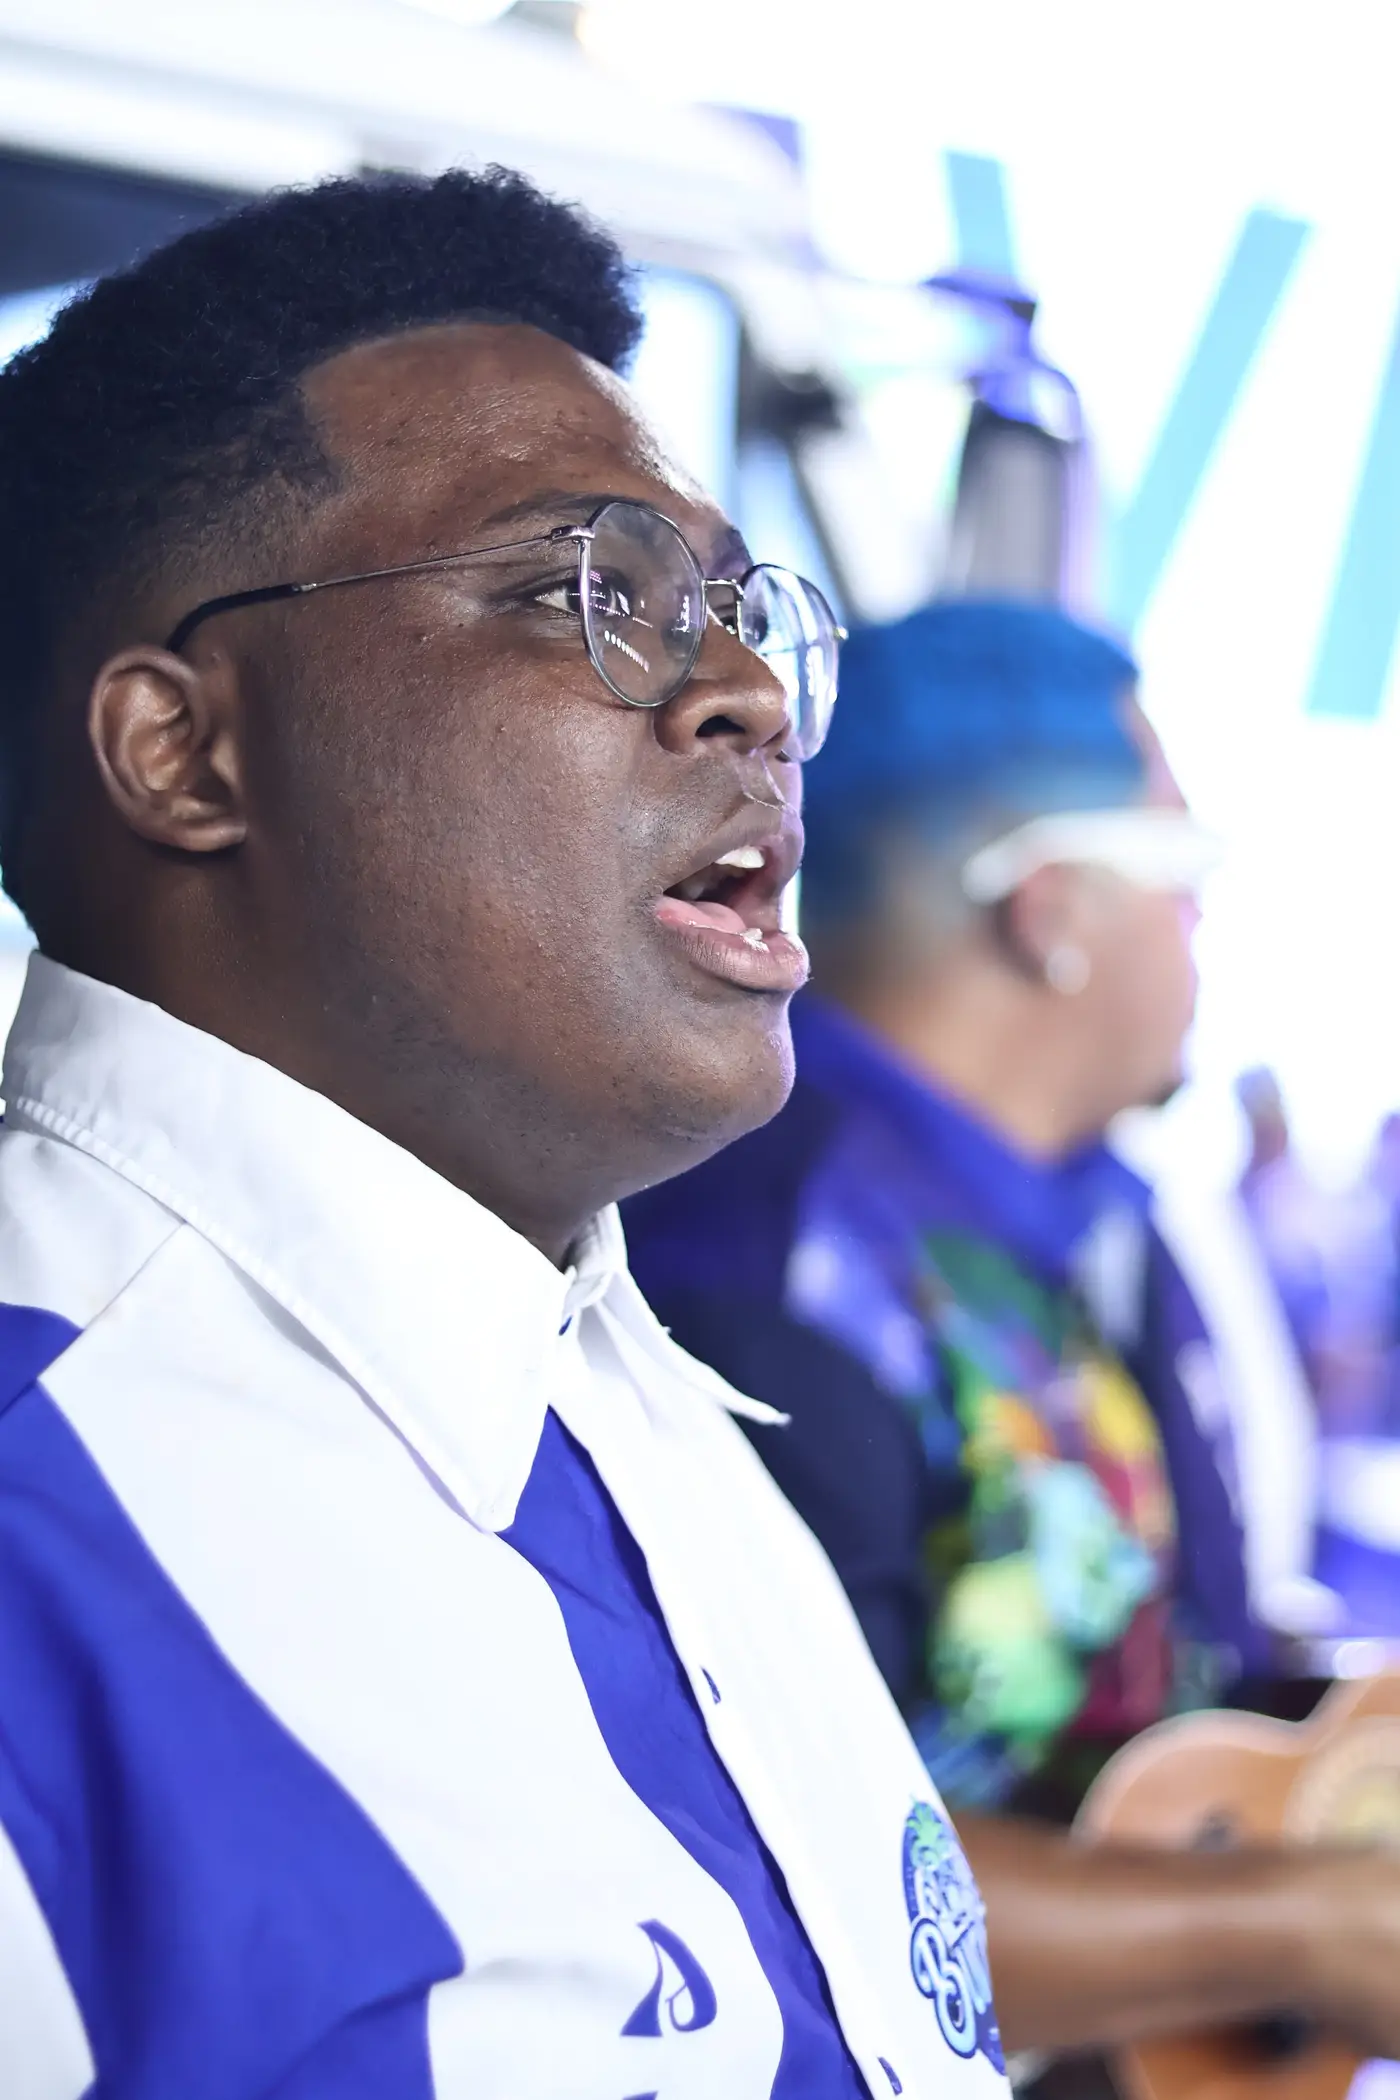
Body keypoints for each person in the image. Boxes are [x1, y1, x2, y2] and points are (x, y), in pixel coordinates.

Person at [0, 167, 994, 2100]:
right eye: (577, 594)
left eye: (733, 609)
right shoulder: (44, 1541)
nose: (746, 697)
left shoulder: (641, 1416)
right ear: (183, 752)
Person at [623, 598, 1400, 2067]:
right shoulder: (767, 1268)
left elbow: (1174, 1673)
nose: (1203, 934)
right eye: (1183, 880)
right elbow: (768, 1864)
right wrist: (1308, 1928)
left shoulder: (1092, 1227)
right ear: (1051, 916)